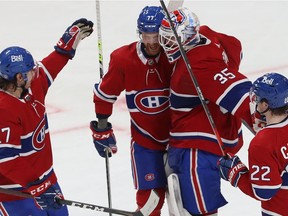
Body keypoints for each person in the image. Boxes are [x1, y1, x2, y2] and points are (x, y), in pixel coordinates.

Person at [158, 7, 255, 215]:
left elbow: (240, 94)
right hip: (211, 140)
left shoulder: (197, 66)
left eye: (171, 40)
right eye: (164, 39)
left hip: (196, 149)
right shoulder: (208, 36)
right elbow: (234, 45)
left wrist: (272, 129)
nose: (166, 45)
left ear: (187, 37)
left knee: (200, 212)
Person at [0, 18, 93, 215]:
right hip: (15, 194)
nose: (36, 72)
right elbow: (6, 160)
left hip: (46, 180)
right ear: (19, 77)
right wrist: (35, 186)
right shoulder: (3, 110)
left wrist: (64, 48)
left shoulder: (31, 86)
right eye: (30, 71)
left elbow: (49, 67)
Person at [90, 6, 174, 216]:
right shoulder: (123, 59)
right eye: (147, 36)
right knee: (149, 204)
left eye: (156, 36)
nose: (152, 42)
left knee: (185, 201)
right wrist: (102, 127)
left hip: (180, 140)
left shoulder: (176, 55)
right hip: (146, 142)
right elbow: (104, 94)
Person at [218, 72, 288, 216]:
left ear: (265, 104)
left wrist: (236, 173)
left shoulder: (262, 144)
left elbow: (264, 191)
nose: (255, 102)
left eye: (258, 99)